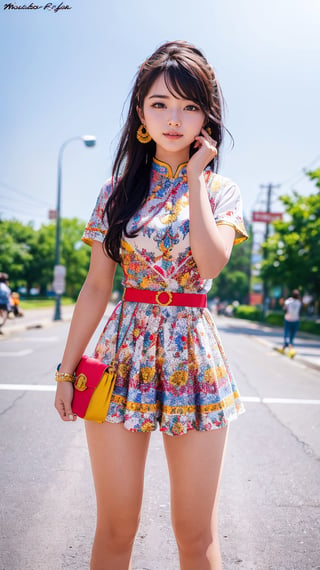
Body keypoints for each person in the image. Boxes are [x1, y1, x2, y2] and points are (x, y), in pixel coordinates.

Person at [54, 40, 248, 570]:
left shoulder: (221, 190)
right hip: (121, 357)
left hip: (194, 360)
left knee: (195, 535)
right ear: (140, 112)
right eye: (160, 103)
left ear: (206, 116)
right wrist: (66, 372)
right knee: (116, 527)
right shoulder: (115, 192)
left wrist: (193, 175)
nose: (174, 118)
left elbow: (209, 265)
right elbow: (96, 287)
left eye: (189, 105)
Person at [281, 289, 302, 357]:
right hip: (296, 320)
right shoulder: (299, 303)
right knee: (292, 336)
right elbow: (300, 312)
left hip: (288, 319)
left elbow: (284, 309)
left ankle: (285, 346)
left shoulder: (288, 301)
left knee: (286, 334)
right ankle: (290, 347)